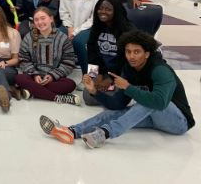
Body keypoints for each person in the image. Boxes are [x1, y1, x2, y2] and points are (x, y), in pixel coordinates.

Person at [40, 30, 195, 149]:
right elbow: (118, 104)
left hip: (178, 122)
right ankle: (72, 131)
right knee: (114, 113)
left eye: (137, 52)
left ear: (147, 54)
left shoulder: (160, 70)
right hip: (152, 119)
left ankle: (105, 134)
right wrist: (95, 91)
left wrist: (128, 87)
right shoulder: (127, 69)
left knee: (148, 100)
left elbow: (160, 103)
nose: (131, 56)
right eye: (128, 52)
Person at [14, 7, 80, 105]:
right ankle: (59, 98)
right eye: (36, 20)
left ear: (51, 19)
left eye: (43, 18)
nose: (40, 22)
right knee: (19, 78)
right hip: (34, 78)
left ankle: (33, 91)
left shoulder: (62, 38)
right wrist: (35, 74)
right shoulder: (29, 37)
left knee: (71, 84)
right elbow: (23, 59)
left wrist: (53, 76)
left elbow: (69, 62)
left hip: (54, 79)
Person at [83, 0, 136, 106]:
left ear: (116, 11)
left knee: (116, 101)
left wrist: (111, 78)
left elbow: (128, 60)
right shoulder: (96, 27)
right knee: (88, 97)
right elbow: (92, 53)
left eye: (108, 9)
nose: (103, 12)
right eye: (100, 8)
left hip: (122, 72)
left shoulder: (128, 30)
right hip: (105, 71)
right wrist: (97, 74)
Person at [59, 0, 102, 90]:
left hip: (90, 26)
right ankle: (56, 73)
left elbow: (95, 16)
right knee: (56, 37)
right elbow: (63, 12)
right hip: (69, 26)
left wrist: (76, 31)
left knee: (79, 42)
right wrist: (70, 28)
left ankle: (89, 77)